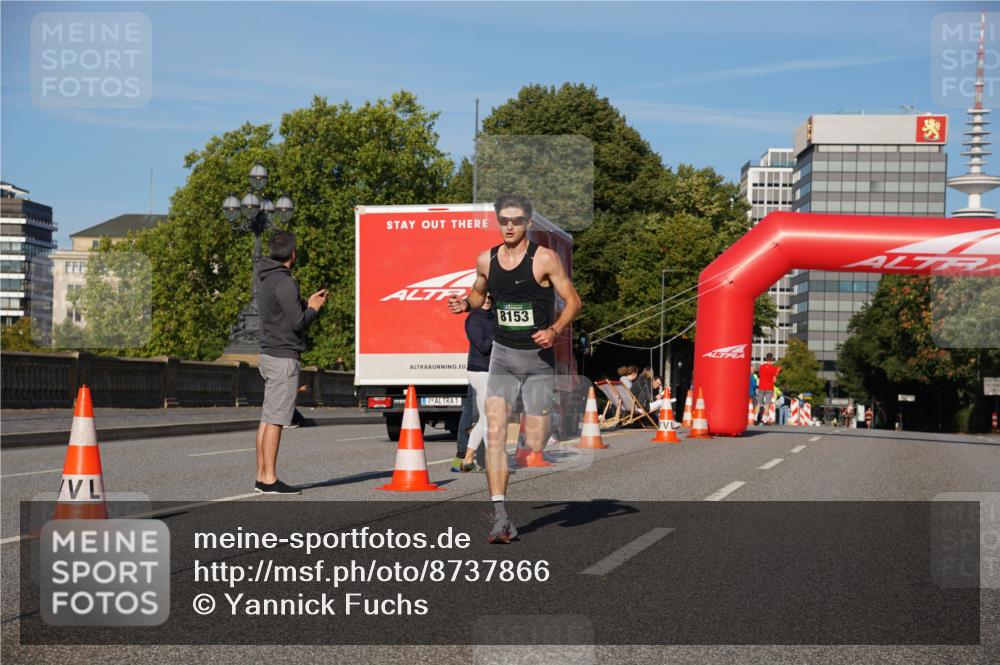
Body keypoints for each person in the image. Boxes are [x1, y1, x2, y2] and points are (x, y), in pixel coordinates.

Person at [447, 194, 581, 544]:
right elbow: (478, 294)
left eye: (516, 220)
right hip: (503, 356)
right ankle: (501, 517)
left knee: (535, 441)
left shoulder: (545, 259)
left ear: (528, 223)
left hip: (537, 359)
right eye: (504, 220)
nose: (509, 226)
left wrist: (554, 330)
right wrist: (464, 304)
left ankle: (545, 418)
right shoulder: (486, 260)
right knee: (494, 433)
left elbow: (573, 301)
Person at [254, 231, 327, 494]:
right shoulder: (285, 281)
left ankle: (262, 476)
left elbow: (284, 312)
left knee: (267, 419)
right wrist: (313, 308)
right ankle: (270, 479)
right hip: (283, 357)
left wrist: (306, 302)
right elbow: (297, 322)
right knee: (276, 420)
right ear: (293, 253)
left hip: (269, 353)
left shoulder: (266, 278)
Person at [454, 294, 494, 473]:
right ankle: (467, 458)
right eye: (483, 298)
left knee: (487, 417)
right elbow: (484, 346)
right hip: (479, 372)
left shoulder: (494, 316)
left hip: (494, 371)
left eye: (489, 298)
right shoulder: (474, 319)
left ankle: (470, 459)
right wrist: (500, 334)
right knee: (484, 416)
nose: (487, 300)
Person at [755, 353, 781, 425]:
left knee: (758, 404)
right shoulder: (773, 368)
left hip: (761, 387)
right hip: (769, 388)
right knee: (767, 405)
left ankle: (755, 418)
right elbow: (774, 380)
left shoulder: (762, 367)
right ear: (772, 359)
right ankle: (764, 420)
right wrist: (776, 374)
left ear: (766, 359)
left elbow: (760, 375)